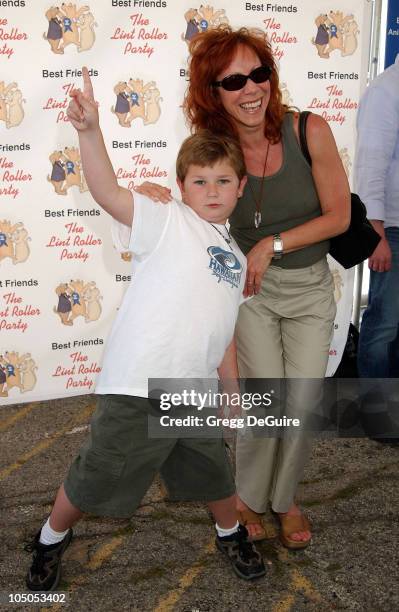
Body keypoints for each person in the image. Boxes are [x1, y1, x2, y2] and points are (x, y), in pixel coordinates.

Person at [24, 67, 267, 591]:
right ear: (181, 186)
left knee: (212, 473)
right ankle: (49, 537)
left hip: (191, 390)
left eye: (224, 180)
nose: (212, 190)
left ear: (241, 186)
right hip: (137, 383)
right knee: (97, 474)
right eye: (200, 181)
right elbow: (108, 191)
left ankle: (230, 532)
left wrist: (231, 391)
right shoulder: (165, 217)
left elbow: (222, 326)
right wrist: (90, 132)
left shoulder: (233, 252)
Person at [136, 26, 350, 548]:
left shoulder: (309, 131)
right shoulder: (219, 148)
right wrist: (152, 196)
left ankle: (286, 500)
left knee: (299, 405)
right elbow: (197, 204)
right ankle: (250, 498)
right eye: (234, 80)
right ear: (213, 92)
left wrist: (269, 244)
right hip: (249, 294)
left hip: (309, 289)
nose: (251, 89)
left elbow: (339, 217)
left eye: (260, 74)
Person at [354, 55, 399, 441]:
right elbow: (369, 169)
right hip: (394, 230)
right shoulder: (386, 91)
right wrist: (377, 236)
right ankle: (377, 416)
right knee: (384, 324)